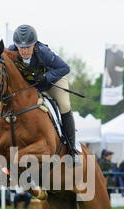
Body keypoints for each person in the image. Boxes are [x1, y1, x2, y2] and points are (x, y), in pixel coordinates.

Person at [9, 24, 80, 164]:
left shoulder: (43, 52)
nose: (23, 51)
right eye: (20, 47)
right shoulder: (11, 52)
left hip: (54, 81)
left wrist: (47, 76)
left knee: (64, 105)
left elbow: (65, 68)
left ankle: (72, 150)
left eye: (27, 47)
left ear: (34, 45)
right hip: (33, 85)